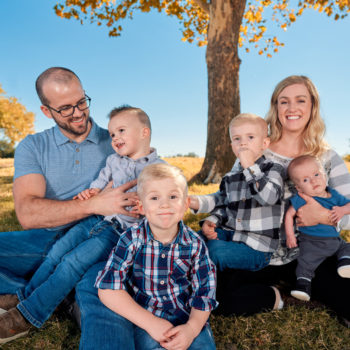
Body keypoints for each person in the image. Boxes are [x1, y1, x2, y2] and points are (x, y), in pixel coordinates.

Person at [189, 76, 350, 322]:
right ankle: (276, 295)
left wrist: (325, 217)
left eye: (300, 100)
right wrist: (211, 218)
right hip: (256, 251)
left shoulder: (327, 158)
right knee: (211, 296)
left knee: (346, 295)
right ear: (276, 107)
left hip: (309, 252)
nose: (292, 108)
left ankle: (305, 284)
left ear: (312, 106)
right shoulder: (254, 147)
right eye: (284, 101)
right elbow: (231, 196)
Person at [0, 106, 164, 343]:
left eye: (121, 131)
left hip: (119, 234)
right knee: (56, 253)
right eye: (112, 134)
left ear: (144, 132)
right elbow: (101, 181)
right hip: (97, 219)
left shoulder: (159, 169)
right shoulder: (113, 160)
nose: (115, 138)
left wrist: (149, 208)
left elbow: (169, 202)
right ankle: (24, 297)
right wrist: (93, 192)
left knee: (72, 262)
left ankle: (27, 316)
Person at [96, 163, 218, 350]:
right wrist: (150, 323)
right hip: (145, 319)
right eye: (154, 197)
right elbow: (108, 288)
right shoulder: (131, 239)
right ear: (141, 206)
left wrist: (191, 329)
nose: (164, 204)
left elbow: (204, 292)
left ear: (185, 204)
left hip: (187, 318)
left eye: (173, 196)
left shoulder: (195, 245)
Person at [191, 114, 285, 277]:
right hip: (230, 233)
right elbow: (223, 202)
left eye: (250, 137)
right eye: (237, 139)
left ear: (264, 143)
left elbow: (268, 197)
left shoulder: (273, 169)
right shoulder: (231, 176)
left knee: (216, 251)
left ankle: (204, 289)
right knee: (193, 241)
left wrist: (250, 166)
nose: (242, 143)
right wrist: (205, 213)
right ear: (231, 145)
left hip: (257, 247)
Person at [284, 155, 350, 301]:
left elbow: (348, 205)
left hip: (334, 240)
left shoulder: (334, 195)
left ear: (324, 175)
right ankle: (303, 285)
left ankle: (345, 263)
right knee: (305, 262)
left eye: (316, 174)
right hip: (312, 242)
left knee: (347, 247)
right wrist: (290, 235)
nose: (314, 181)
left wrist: (342, 211)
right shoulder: (301, 197)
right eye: (306, 180)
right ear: (299, 188)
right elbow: (289, 215)